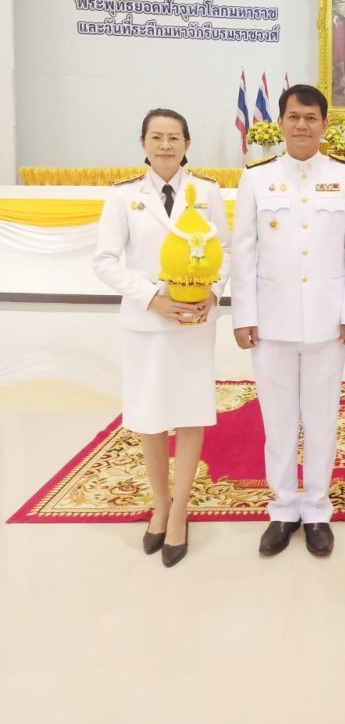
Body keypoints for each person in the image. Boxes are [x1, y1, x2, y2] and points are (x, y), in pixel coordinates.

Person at [232, 84, 345, 558]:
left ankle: (316, 510)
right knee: (278, 419)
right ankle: (283, 508)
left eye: (311, 118)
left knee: (322, 416)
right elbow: (243, 250)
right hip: (271, 320)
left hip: (328, 321)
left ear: (325, 124)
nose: (302, 125)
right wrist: (244, 314)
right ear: (281, 122)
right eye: (294, 116)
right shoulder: (256, 178)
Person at [93, 108, 231, 568]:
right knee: (149, 415)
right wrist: (152, 297)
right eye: (157, 137)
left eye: (174, 137)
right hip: (147, 322)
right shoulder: (123, 196)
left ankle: (181, 510)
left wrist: (213, 292)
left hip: (193, 320)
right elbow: (105, 260)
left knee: (190, 412)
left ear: (187, 144)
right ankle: (160, 503)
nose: (166, 145)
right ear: (143, 144)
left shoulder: (207, 192)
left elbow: (227, 249)